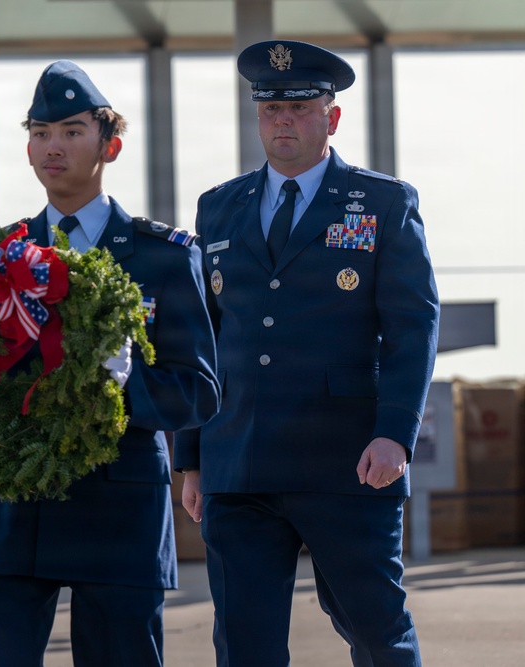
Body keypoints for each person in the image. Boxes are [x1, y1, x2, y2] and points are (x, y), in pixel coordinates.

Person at [0, 60, 221, 666]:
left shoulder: (162, 258)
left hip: (117, 507)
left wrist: (125, 382)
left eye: (69, 130)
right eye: (39, 132)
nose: (51, 147)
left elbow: (197, 393)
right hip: (20, 504)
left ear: (109, 145)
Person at [172, 40, 439, 667]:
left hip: (346, 460)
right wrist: (192, 457)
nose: (283, 121)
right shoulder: (219, 207)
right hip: (239, 460)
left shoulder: (382, 203)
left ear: (332, 117)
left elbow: (412, 326)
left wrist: (396, 434)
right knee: (244, 644)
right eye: (270, 110)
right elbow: (200, 337)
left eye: (299, 107)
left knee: (377, 633)